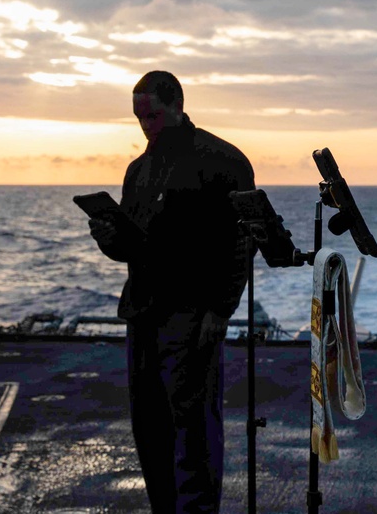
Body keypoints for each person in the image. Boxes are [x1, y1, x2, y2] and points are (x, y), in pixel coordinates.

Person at [88, 70, 255, 513]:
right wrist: (107, 235)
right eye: (139, 118)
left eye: (153, 116)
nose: (145, 126)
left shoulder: (222, 161)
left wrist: (221, 310)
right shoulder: (137, 170)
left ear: (177, 104)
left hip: (191, 314)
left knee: (194, 429)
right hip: (142, 312)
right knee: (150, 428)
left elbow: (242, 241)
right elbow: (131, 248)